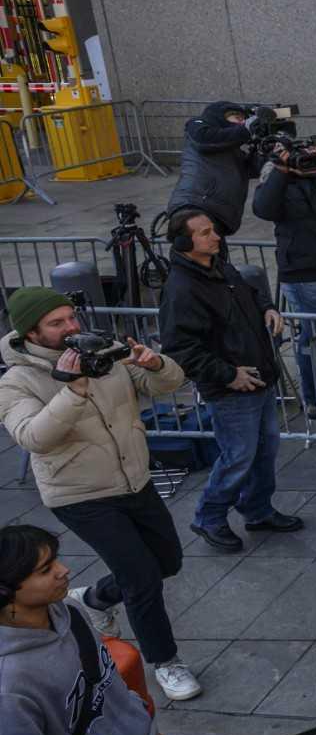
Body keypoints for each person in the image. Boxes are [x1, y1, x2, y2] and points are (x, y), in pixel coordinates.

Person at [0, 289, 200, 702]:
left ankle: (95, 598)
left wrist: (156, 363)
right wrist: (71, 391)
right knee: (142, 577)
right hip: (79, 492)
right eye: (57, 323)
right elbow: (34, 437)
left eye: (71, 317)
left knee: (167, 561)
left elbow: (167, 383)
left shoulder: (102, 349)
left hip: (134, 478)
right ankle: (166, 662)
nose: (71, 327)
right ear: (31, 331)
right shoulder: (16, 380)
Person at [157, 209, 299, 552]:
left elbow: (249, 291)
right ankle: (210, 516)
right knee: (238, 456)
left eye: (213, 231)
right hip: (232, 387)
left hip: (259, 377)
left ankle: (257, 510)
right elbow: (180, 349)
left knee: (264, 451)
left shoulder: (219, 266)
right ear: (184, 242)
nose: (216, 237)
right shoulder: (182, 289)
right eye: (205, 233)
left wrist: (268, 306)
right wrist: (228, 375)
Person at [0, 525, 155, 735]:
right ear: (6, 592)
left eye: (56, 560)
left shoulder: (69, 610)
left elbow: (101, 672)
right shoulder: (9, 684)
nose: (63, 570)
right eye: (45, 570)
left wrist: (130, 707)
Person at [251, 145, 316, 420]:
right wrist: (281, 173)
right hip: (304, 273)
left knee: (311, 339)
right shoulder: (277, 181)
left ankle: (313, 399)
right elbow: (263, 208)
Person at [167, 100, 259, 236]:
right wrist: (246, 129)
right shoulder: (197, 126)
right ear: (220, 116)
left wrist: (267, 145)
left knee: (214, 254)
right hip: (195, 207)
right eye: (238, 118)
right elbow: (204, 140)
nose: (241, 123)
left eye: (244, 120)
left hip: (219, 212)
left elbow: (253, 169)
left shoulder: (231, 149)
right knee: (191, 252)